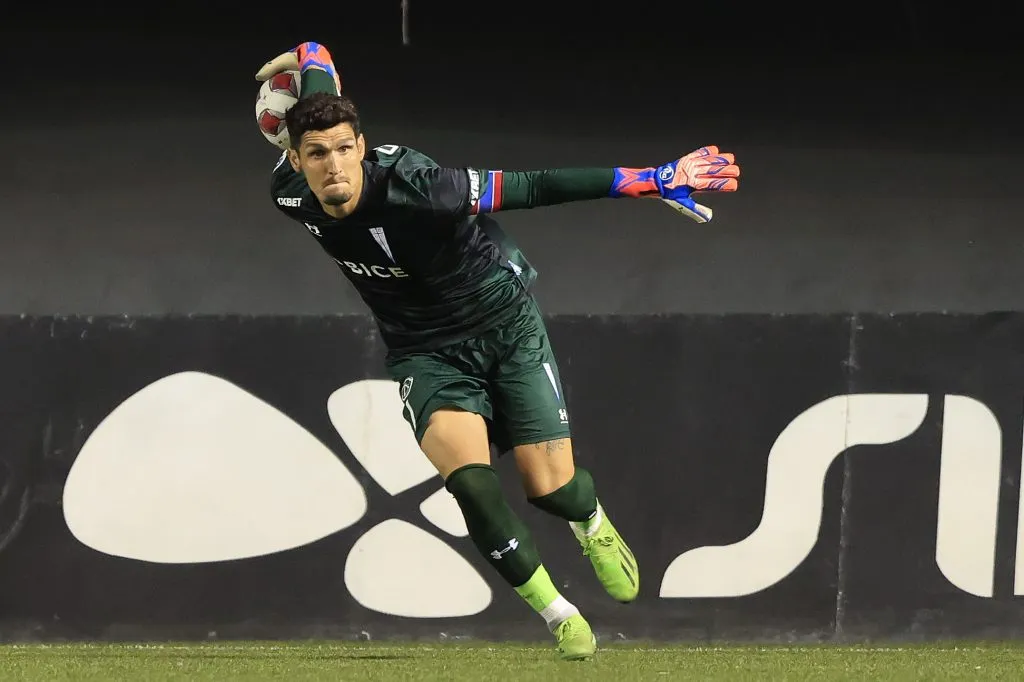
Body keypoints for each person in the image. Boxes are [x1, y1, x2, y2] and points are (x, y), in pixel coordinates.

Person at [255, 42, 740, 660]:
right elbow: (322, 107)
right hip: (425, 352)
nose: (334, 167)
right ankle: (559, 614)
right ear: (294, 159)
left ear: (362, 146)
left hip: (505, 326)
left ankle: (588, 519)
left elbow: (537, 187)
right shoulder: (288, 194)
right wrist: (313, 56)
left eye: (346, 149)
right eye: (317, 155)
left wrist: (650, 180)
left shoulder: (423, 189)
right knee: (474, 488)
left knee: (551, 491)